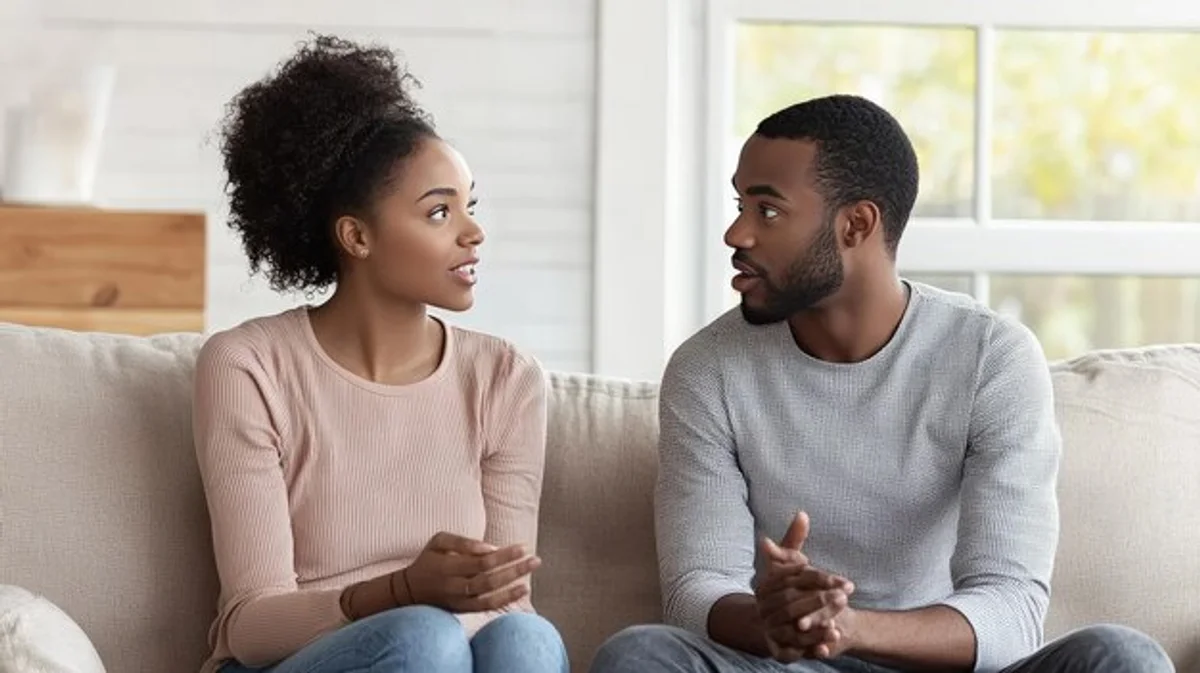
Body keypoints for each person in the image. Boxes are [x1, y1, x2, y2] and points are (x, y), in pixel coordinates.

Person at [589, 94, 1173, 673]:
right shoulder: (708, 369)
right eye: (740, 204)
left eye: (766, 211)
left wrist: (850, 628)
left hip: (935, 664)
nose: (736, 234)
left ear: (856, 224)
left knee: (1122, 658)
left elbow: (1011, 611)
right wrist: (772, 621)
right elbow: (696, 591)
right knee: (640, 655)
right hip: (787, 668)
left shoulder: (991, 356)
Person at [191, 35, 567, 673]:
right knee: (423, 638)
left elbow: (506, 600)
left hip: (451, 649)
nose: (473, 232)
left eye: (469, 207)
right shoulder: (248, 367)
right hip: (298, 658)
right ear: (356, 236)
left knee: (525, 640)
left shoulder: (506, 379)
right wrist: (400, 593)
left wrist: (448, 604)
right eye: (440, 212)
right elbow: (251, 629)